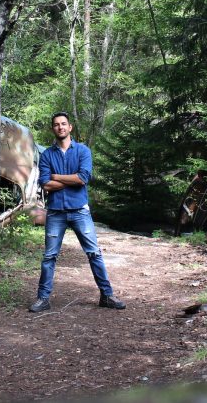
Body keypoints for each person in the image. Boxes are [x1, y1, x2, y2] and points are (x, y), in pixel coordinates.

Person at [29, 112, 126, 313]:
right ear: (52, 129)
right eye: (56, 125)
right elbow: (46, 184)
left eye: (63, 124)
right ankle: (43, 298)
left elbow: (82, 178)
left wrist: (57, 177)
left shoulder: (83, 151)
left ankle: (106, 296)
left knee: (94, 253)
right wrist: (67, 180)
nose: (60, 127)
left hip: (80, 211)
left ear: (70, 127)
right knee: (49, 256)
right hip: (56, 213)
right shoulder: (47, 154)